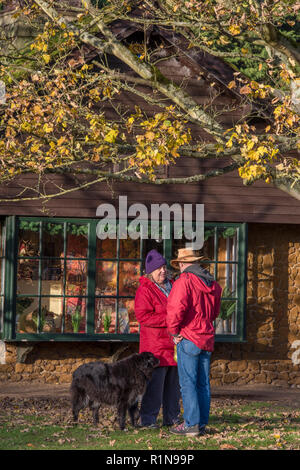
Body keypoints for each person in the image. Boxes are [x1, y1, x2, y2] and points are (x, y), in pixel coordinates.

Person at [166, 248, 222, 436]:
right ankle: (201, 423)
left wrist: (174, 332)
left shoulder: (184, 281)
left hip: (189, 336)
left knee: (188, 383)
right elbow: (215, 313)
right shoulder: (212, 283)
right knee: (203, 383)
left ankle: (191, 424)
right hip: (206, 336)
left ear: (182, 264)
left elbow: (175, 310)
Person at [134, 249, 181, 428]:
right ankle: (148, 420)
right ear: (150, 271)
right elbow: (143, 316)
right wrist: (169, 320)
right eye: (158, 268)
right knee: (154, 387)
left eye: (164, 267)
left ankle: (172, 418)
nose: (163, 271)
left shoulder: (173, 285)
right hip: (155, 348)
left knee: (173, 388)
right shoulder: (145, 290)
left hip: (174, 345)